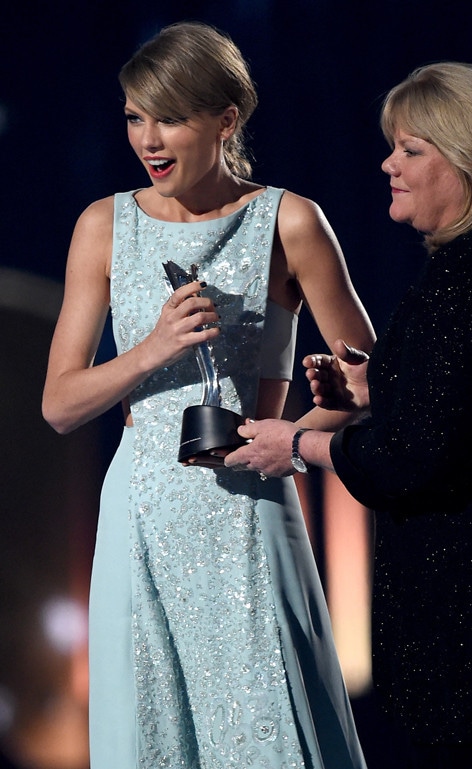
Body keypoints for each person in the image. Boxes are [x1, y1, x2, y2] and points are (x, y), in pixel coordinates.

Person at [225, 62, 472, 767]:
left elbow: (413, 463)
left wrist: (296, 445)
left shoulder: (468, 277)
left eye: (412, 150)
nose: (389, 163)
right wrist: (383, 390)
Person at [42, 21, 375, 769]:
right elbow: (59, 404)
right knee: (150, 729)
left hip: (250, 502)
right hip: (140, 506)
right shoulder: (103, 226)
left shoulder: (290, 221)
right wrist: (153, 349)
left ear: (226, 121)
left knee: (270, 727)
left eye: (169, 117)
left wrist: (288, 437)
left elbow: (371, 384)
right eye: (134, 116)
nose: (148, 140)